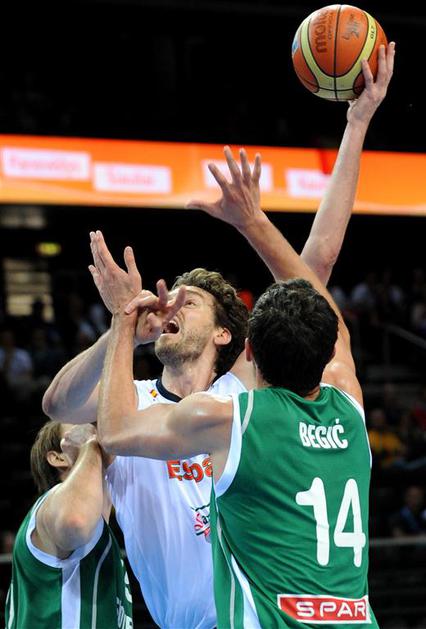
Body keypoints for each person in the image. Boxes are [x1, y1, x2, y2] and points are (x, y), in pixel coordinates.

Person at [42, 43, 394, 629]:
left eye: (190, 301)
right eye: (169, 299)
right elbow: (57, 404)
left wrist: (355, 126)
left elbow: (315, 270)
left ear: (230, 336)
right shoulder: (131, 398)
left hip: (253, 614)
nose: (171, 305)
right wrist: (119, 328)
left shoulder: (248, 397)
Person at [5, 422, 133, 629]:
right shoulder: (53, 503)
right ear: (58, 457)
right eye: (83, 426)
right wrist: (89, 445)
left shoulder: (100, 532)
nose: (95, 429)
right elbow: (76, 522)